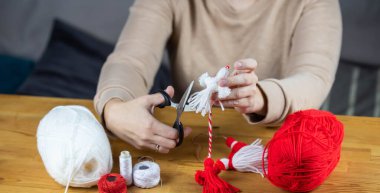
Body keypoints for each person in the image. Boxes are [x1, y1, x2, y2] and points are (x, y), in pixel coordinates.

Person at [94, 0, 342, 153]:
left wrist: (261, 97)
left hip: (276, 147)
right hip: (192, 146)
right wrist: (114, 109)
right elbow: (129, 59)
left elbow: (313, 77)